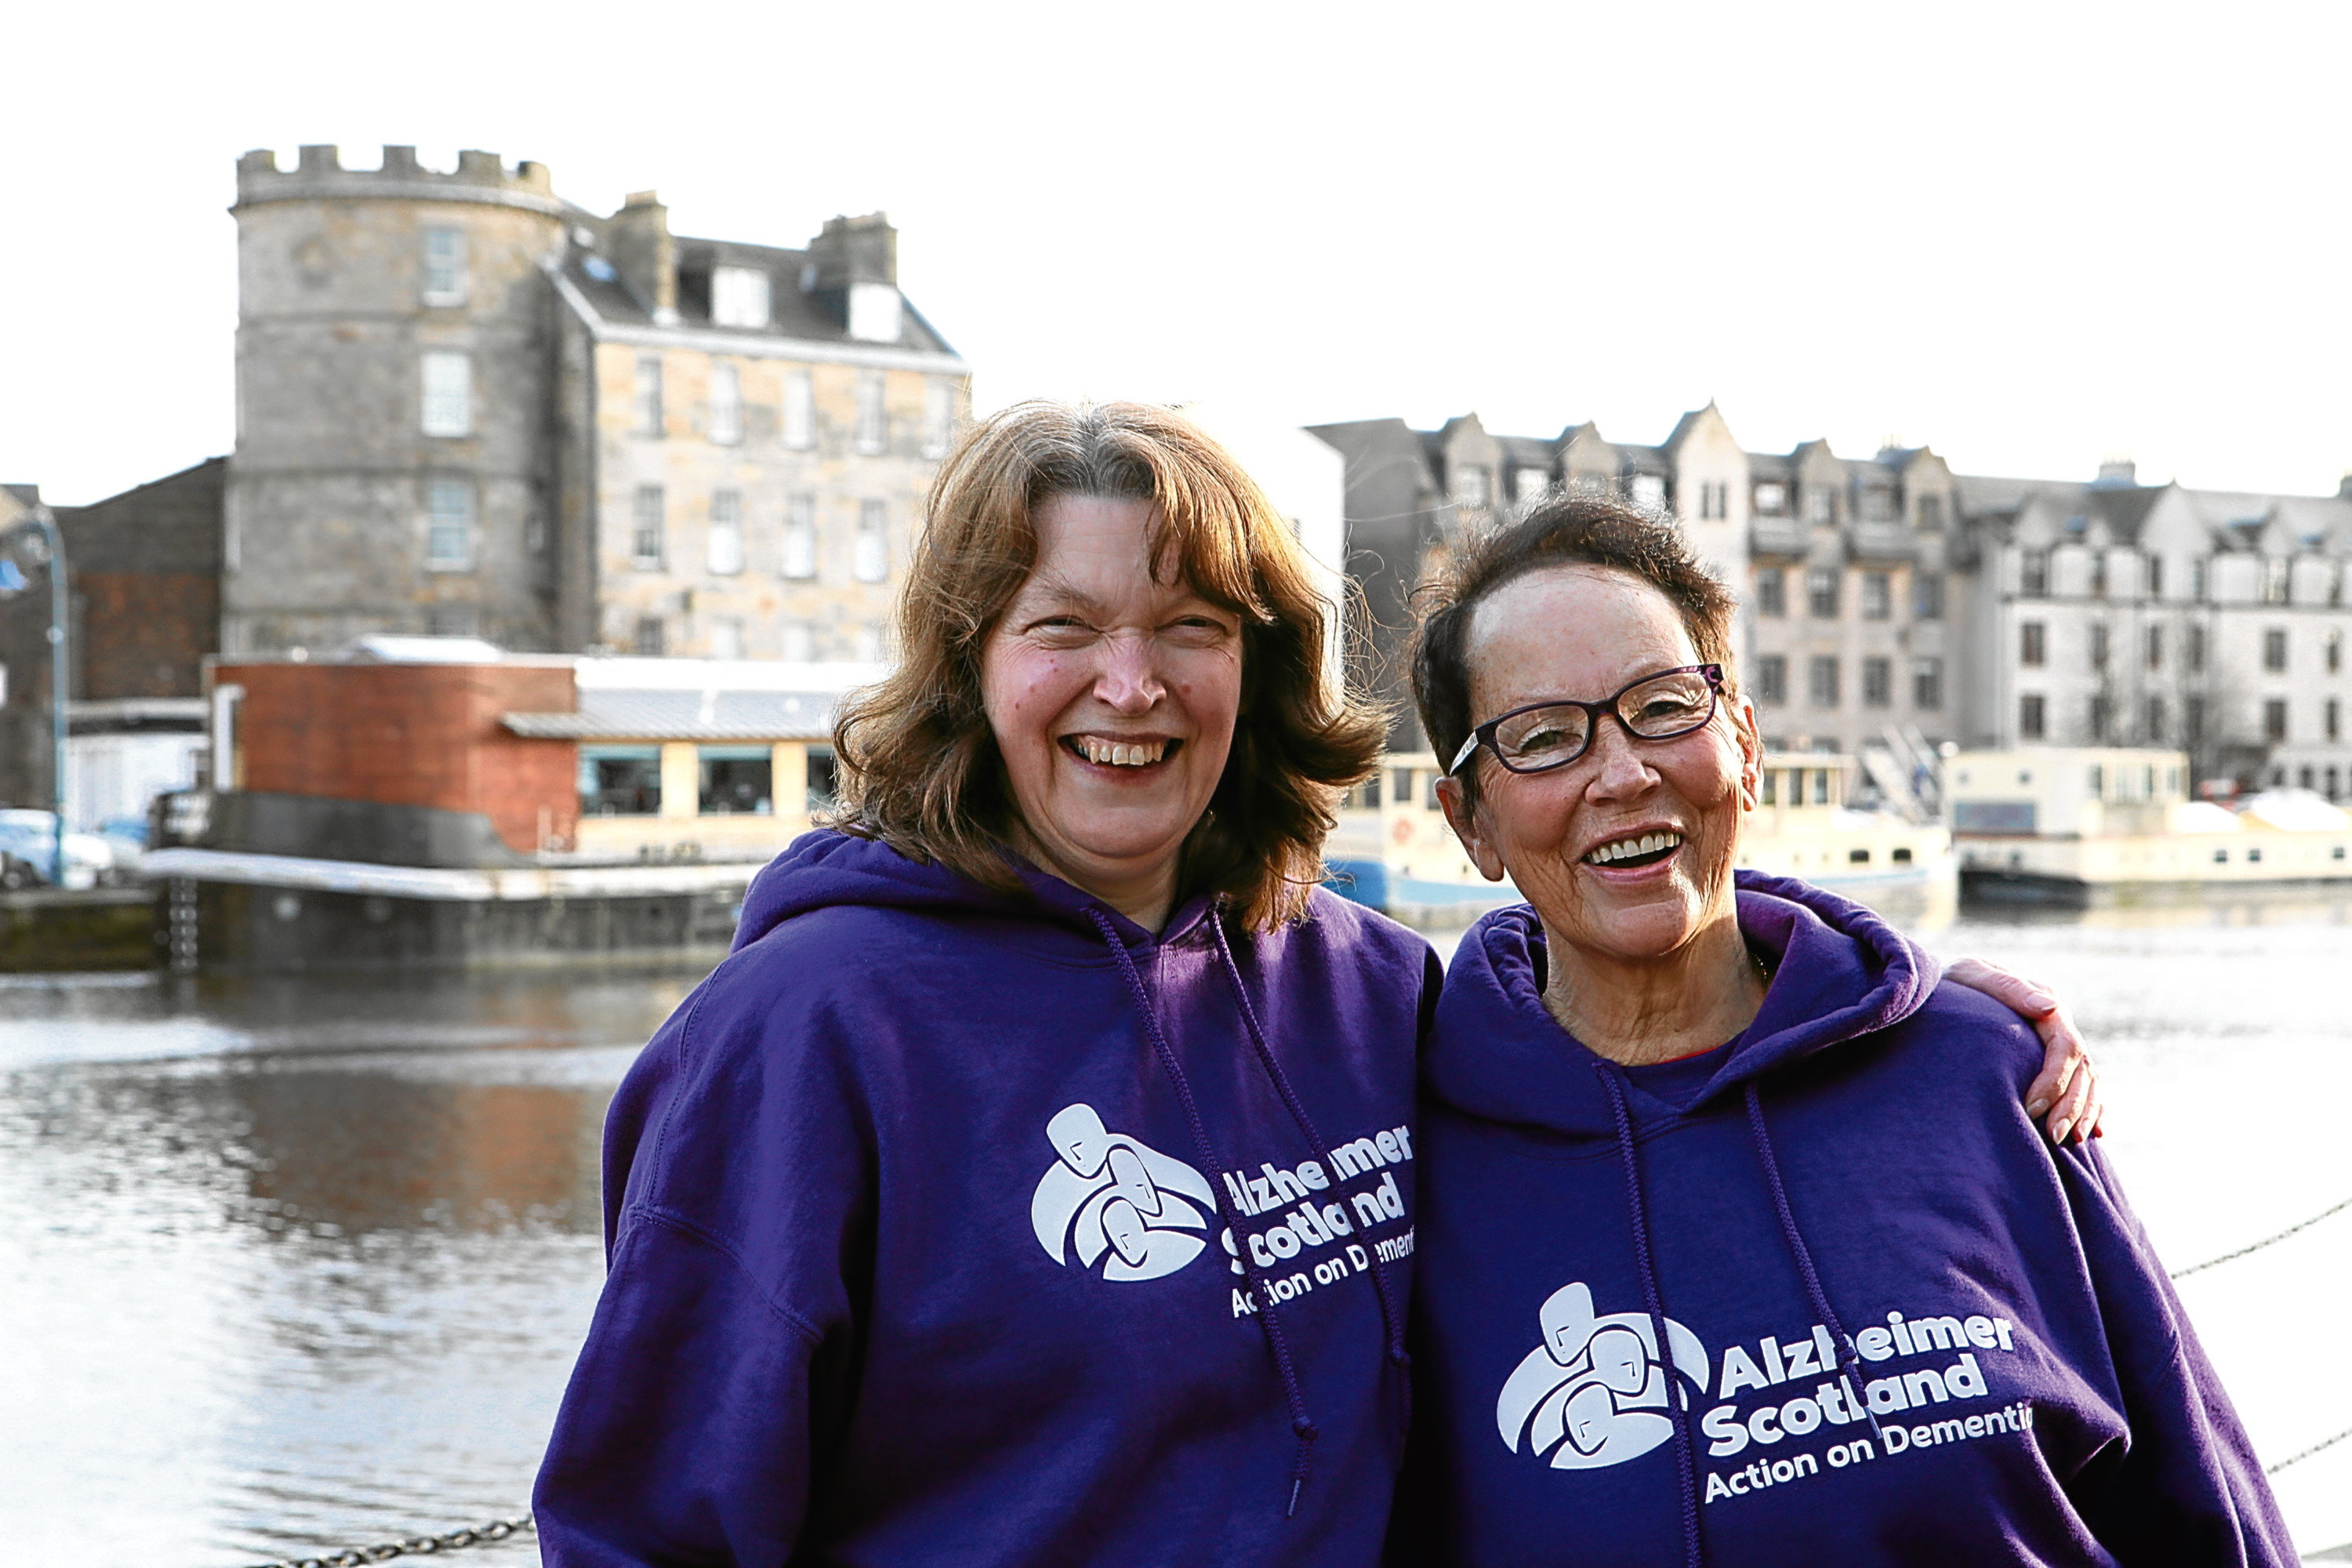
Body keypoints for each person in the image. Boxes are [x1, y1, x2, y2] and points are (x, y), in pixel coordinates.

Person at [532, 401, 2102, 1566]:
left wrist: (1903, 1016)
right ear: (972, 667)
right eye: (1062, 627)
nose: (1130, 685)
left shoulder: (1365, 992)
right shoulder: (802, 1035)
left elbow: (1635, 1009)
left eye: (1190, 628)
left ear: (1262, 665)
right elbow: (642, 1529)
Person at [1397, 494, 2291, 1564]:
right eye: (1544, 738)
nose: (1623, 771)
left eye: (1666, 707)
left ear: (1745, 744)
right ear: (1472, 823)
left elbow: (2205, 1509)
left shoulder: (1987, 1071)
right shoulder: (1416, 1157)